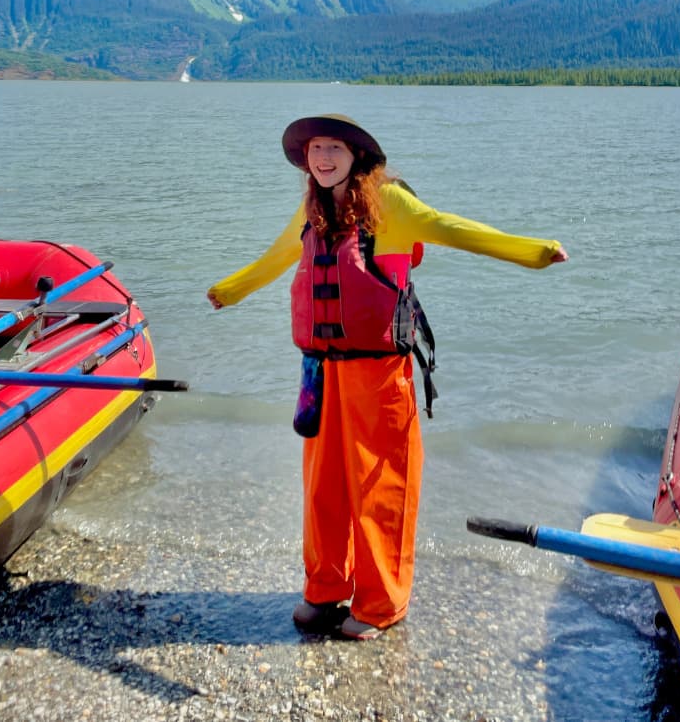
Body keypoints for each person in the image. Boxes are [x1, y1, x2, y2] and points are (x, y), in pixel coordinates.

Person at [206, 114, 567, 641]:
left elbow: (451, 229)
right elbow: (278, 258)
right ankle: (325, 588)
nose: (323, 157)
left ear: (357, 155)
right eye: (314, 149)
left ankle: (381, 603)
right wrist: (231, 289)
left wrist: (533, 252)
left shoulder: (390, 205)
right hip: (321, 374)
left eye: (334, 147)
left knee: (381, 486)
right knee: (322, 487)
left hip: (379, 374)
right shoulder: (311, 212)